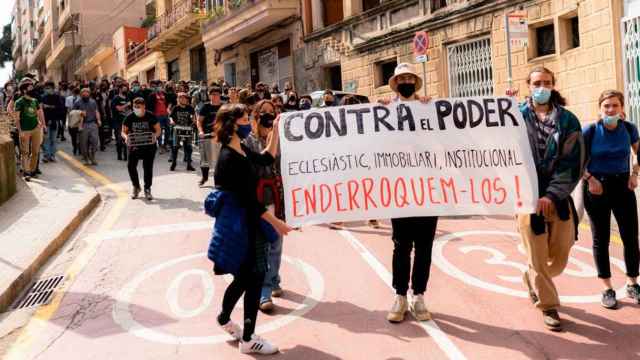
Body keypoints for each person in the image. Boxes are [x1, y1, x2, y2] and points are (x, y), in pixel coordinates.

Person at [208, 103, 292, 355]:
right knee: (253, 278)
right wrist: (277, 223)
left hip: (244, 224)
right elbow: (249, 201)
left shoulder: (241, 150)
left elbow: (266, 157)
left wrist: (275, 130)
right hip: (241, 227)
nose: (249, 123)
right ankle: (248, 338)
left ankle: (224, 319)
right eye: (245, 118)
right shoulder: (228, 158)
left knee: (244, 278)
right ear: (233, 124)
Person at [514, 67, 584, 331]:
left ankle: (532, 276)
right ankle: (549, 305)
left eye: (546, 82)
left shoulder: (568, 121)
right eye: (536, 83)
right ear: (528, 86)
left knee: (560, 254)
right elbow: (497, 144)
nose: (541, 87)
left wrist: (553, 194)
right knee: (537, 255)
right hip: (527, 198)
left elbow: (573, 161)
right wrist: (503, 108)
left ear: (554, 85)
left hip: (559, 198)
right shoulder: (516, 116)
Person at [377, 63, 437, 323]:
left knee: (424, 246)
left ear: (416, 82)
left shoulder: (430, 109)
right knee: (401, 245)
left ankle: (419, 295)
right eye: (401, 78)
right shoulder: (384, 111)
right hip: (399, 189)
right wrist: (380, 112)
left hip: (428, 188)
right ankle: (400, 295)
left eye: (410, 77)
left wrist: (429, 109)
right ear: (395, 83)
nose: (406, 81)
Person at [582, 90, 640, 309]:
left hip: (622, 186)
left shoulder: (628, 128)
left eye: (615, 106)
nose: (610, 110)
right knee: (601, 238)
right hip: (596, 187)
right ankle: (607, 288)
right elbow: (575, 159)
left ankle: (632, 282)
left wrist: (634, 173)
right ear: (600, 108)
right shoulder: (590, 130)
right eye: (606, 106)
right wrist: (589, 179)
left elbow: (638, 152)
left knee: (630, 236)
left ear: (621, 108)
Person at [244, 100, 286, 313]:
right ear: (256, 116)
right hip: (258, 202)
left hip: (277, 200)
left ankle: (274, 279)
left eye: (273, 112)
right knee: (262, 248)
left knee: (276, 246)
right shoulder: (248, 143)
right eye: (264, 113)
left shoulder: (282, 138)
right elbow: (258, 165)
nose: (269, 116)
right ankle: (264, 291)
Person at [122, 97, 161, 200]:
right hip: (134, 145)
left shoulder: (151, 116)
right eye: (134, 107)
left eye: (138, 107)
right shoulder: (129, 117)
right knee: (131, 166)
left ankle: (147, 189)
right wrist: (126, 138)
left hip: (149, 146)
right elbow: (123, 131)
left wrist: (155, 136)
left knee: (148, 168)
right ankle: (136, 187)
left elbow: (158, 130)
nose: (136, 109)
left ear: (144, 106)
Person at [13, 79, 45, 181]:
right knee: (25, 152)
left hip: (35, 128)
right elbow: (17, 118)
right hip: (25, 130)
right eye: (30, 87)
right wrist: (20, 131)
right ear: (24, 90)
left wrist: (42, 124)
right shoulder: (19, 102)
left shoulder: (35, 101)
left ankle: (31, 170)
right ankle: (26, 172)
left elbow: (39, 113)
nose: (33, 89)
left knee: (35, 151)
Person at [197, 86, 224, 186]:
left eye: (216, 94)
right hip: (207, 135)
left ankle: (219, 181)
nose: (214, 96)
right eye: (212, 94)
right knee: (204, 159)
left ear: (219, 95)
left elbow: (228, 122)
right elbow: (199, 121)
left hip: (221, 135)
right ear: (209, 95)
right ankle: (204, 177)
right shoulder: (205, 107)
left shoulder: (224, 107)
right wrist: (200, 131)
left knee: (221, 159)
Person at [74, 88, 102, 165]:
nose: (85, 94)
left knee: (95, 141)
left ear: (89, 93)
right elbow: (72, 113)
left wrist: (99, 120)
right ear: (81, 94)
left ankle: (93, 157)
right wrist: (80, 113)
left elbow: (96, 111)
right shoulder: (77, 103)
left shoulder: (93, 102)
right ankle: (86, 159)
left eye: (87, 92)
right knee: (83, 143)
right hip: (82, 125)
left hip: (93, 124)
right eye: (83, 92)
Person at [169, 92, 196, 171]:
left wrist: (193, 120)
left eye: (184, 98)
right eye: (181, 98)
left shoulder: (190, 108)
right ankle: (174, 163)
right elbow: (170, 117)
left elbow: (193, 116)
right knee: (175, 147)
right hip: (177, 128)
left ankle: (189, 164)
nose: (183, 99)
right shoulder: (175, 108)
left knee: (188, 147)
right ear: (178, 99)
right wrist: (171, 121)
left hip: (187, 129)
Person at [40, 81, 66, 162]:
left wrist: (48, 106)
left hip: (54, 121)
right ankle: (46, 156)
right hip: (45, 122)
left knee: (53, 139)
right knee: (45, 139)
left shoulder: (57, 97)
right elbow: (41, 110)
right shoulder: (42, 97)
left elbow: (61, 109)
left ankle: (52, 155)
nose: (48, 90)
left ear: (53, 88)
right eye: (46, 88)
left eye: (49, 88)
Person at [146, 80, 170, 153]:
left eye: (161, 85)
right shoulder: (152, 95)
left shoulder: (165, 94)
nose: (160, 87)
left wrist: (168, 109)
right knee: (159, 131)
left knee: (168, 131)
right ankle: (160, 146)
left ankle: (165, 145)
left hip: (165, 115)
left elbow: (168, 102)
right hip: (157, 115)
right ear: (155, 87)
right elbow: (149, 106)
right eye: (158, 86)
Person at [111, 83, 131, 161]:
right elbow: (119, 109)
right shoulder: (116, 98)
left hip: (126, 121)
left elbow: (129, 110)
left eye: (126, 88)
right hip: (118, 122)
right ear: (120, 89)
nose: (125, 90)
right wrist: (126, 105)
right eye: (124, 88)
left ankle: (126, 155)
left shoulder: (127, 97)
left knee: (126, 139)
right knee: (119, 140)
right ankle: (119, 154)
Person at [66, 87, 81, 155]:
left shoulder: (80, 99)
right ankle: (75, 147)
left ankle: (78, 147)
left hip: (78, 117)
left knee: (78, 133)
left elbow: (68, 109)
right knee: (74, 134)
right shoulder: (69, 98)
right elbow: (68, 109)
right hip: (73, 117)